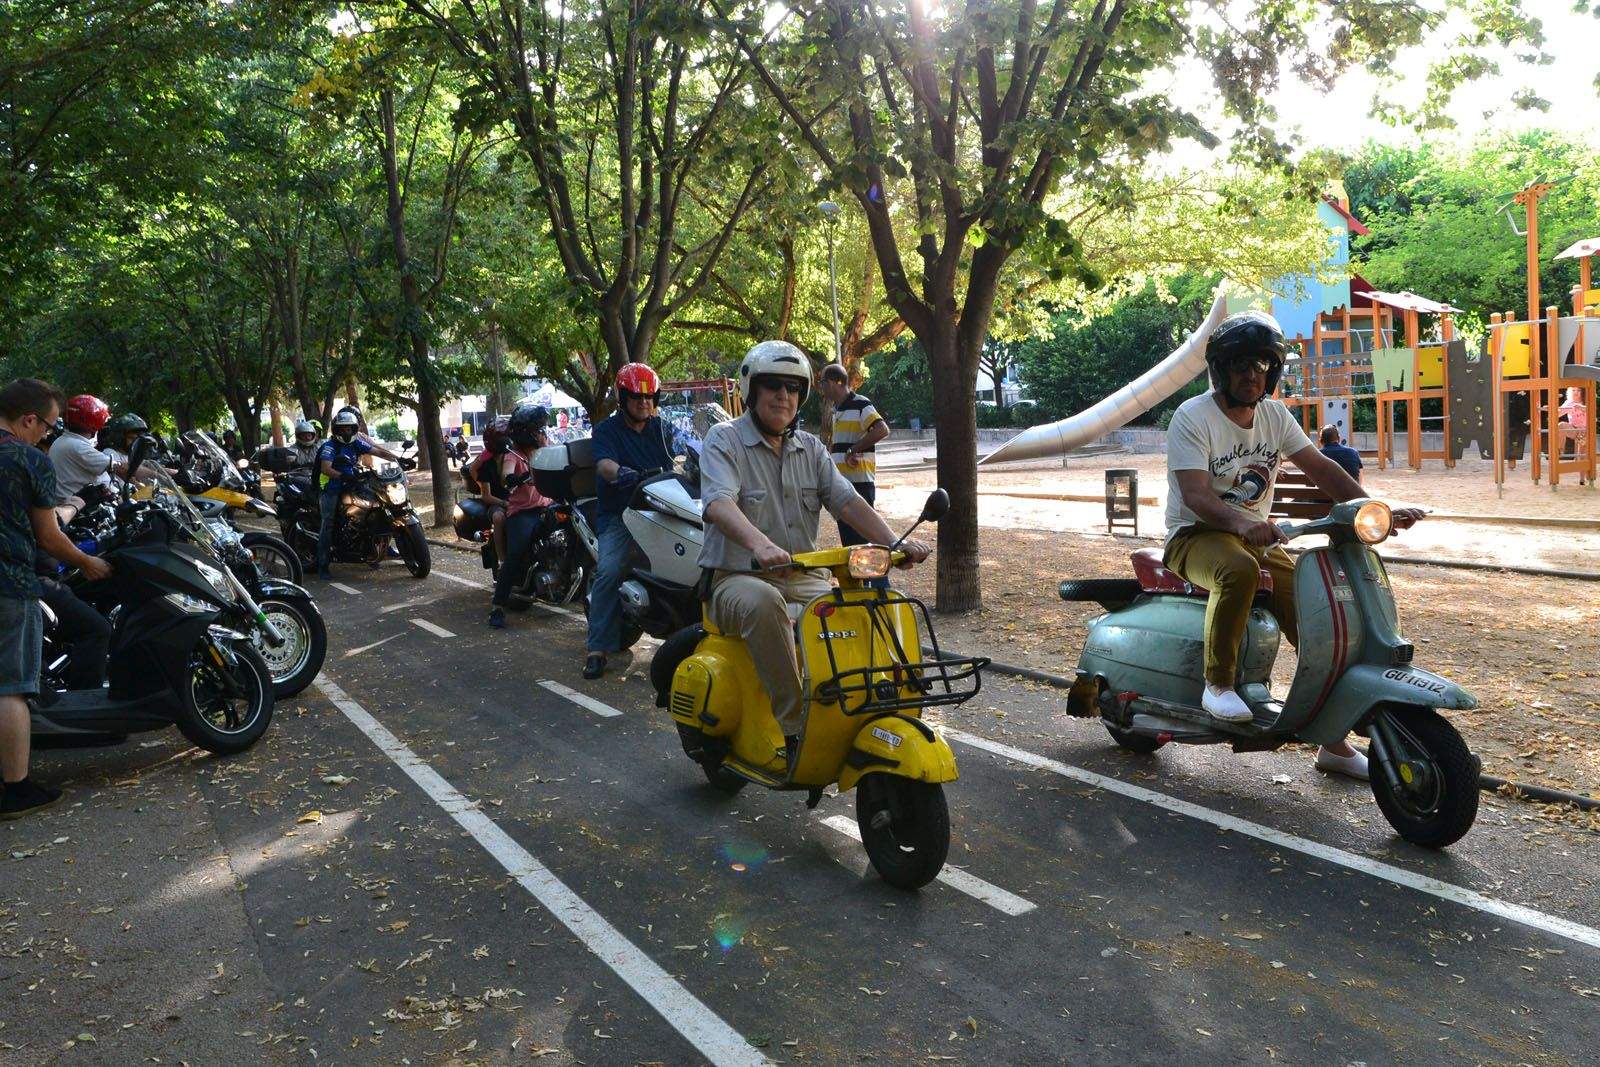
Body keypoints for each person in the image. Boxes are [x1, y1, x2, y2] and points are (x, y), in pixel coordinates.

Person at [1163, 312, 1424, 780]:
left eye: (1262, 366)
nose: (1252, 375)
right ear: (1221, 369)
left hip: (1256, 539)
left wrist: (1377, 506)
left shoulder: (1274, 415)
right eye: (1242, 365)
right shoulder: (1193, 416)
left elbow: (1321, 469)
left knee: (1317, 605)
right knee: (1238, 571)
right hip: (1195, 535)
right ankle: (1217, 683)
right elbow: (1196, 496)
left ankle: (1333, 741)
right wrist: (1242, 524)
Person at [699, 341, 930, 772]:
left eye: (792, 387)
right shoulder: (724, 439)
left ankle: (867, 704)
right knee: (766, 604)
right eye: (772, 386)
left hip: (800, 574)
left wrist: (895, 543)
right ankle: (795, 727)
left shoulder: (811, 448)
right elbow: (718, 503)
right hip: (734, 578)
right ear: (751, 389)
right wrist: (760, 545)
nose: (782, 396)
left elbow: (847, 502)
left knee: (855, 605)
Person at [1, 379, 113, 820]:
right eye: (47, 427)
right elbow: (49, 538)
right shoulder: (28, 460)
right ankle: (15, 789)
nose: (47, 435)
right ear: (28, 419)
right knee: (10, 688)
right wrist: (88, 564)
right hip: (10, 584)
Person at [583, 363, 685, 679]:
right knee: (609, 570)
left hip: (663, 511)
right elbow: (604, 465)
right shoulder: (606, 430)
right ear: (622, 398)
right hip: (622, 513)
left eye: (650, 398)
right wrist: (623, 473)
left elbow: (685, 451)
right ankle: (597, 649)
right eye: (637, 398)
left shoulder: (663, 429)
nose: (644, 403)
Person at [817, 363, 891, 586]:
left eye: (822, 383)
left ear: (834, 382)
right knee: (851, 543)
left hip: (859, 485)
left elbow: (882, 429)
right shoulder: (837, 410)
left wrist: (854, 449)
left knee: (867, 540)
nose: (821, 388)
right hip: (842, 487)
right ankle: (862, 588)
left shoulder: (861, 403)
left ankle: (879, 587)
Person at [314, 409, 409, 580]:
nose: (346, 432)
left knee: (375, 509)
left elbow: (377, 451)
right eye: (343, 429)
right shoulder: (329, 446)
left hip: (353, 482)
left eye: (349, 429)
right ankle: (323, 564)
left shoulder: (355, 443)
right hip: (332, 488)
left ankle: (374, 551)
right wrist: (343, 475)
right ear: (336, 430)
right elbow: (325, 468)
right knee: (327, 524)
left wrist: (398, 459)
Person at [488, 407, 557, 628]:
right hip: (523, 512)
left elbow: (561, 454)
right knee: (515, 554)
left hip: (548, 506)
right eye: (537, 429)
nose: (541, 433)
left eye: (541, 429)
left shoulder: (543, 448)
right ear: (525, 432)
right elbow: (507, 472)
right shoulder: (514, 454)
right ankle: (497, 607)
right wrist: (512, 478)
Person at [47, 395, 127, 500]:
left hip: (79, 505)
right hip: (84, 509)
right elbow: (121, 468)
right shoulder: (77, 446)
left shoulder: (64, 441)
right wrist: (154, 473)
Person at [465, 416, 512, 568]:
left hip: (516, 499)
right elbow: (487, 496)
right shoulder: (486, 464)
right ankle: (502, 560)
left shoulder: (514, 457)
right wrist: (505, 503)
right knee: (498, 518)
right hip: (497, 502)